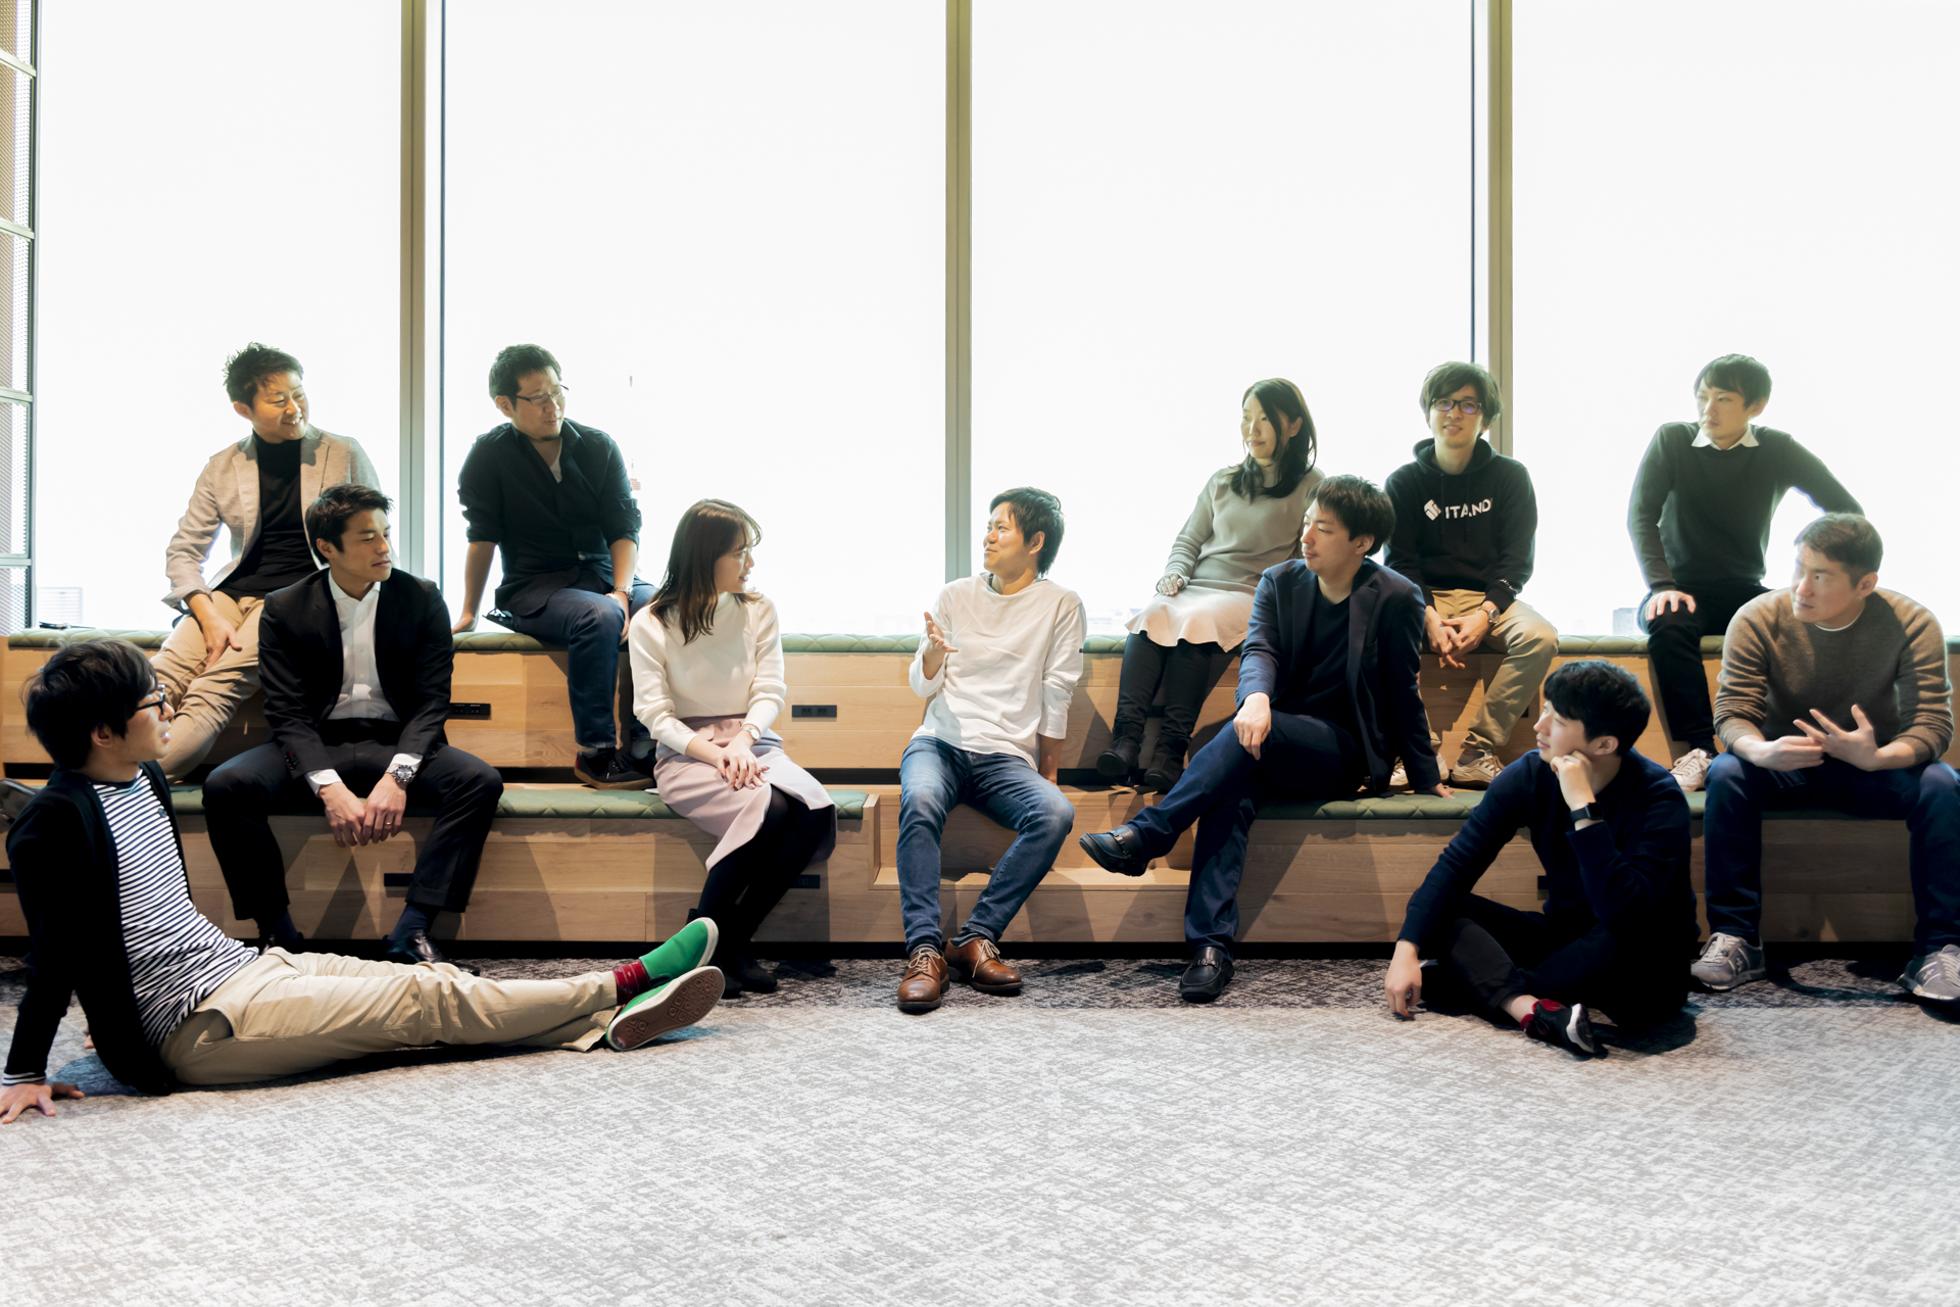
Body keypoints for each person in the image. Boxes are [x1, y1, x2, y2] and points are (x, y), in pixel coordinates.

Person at [0, 638, 723, 1122]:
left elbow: (153, 917)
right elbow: (53, 956)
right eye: (151, 701)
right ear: (102, 732)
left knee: (436, 982)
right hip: (198, 1026)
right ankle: (625, 983)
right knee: (425, 1000)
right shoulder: (53, 824)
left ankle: (604, 1025)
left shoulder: (142, 778)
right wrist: (23, 1070)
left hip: (245, 969)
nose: (167, 708)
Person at [1079, 475, 1446, 1001]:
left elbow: (1402, 692)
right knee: (1229, 785)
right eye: (1307, 523)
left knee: (1241, 746)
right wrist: (1255, 697)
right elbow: (1260, 651)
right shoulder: (1279, 582)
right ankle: (1210, 949)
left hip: (1340, 752)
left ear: (1361, 543)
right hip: (1270, 735)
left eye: (1323, 528)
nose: (1307, 537)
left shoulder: (1395, 596)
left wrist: (1426, 776)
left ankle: (1152, 834)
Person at [200, 486, 501, 968]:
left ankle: (413, 929)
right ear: (328, 547)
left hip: (394, 741)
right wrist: (328, 787)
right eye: (367, 538)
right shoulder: (285, 607)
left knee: (478, 781)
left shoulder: (421, 598)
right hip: (316, 743)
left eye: (385, 533)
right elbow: (286, 712)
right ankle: (277, 935)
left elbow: (431, 703)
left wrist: (398, 777)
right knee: (225, 785)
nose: (384, 547)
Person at [1692, 515, 1959, 1009]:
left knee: (1943, 784)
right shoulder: (1758, 617)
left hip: (1873, 767)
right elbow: (1733, 713)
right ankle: (1737, 937)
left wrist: (1877, 757)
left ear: (1865, 584)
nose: (1802, 586)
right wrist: (1761, 751)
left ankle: (1940, 948)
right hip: (1785, 764)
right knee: (1728, 773)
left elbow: (1933, 726)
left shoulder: (1913, 622)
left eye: (1820, 575)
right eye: (1799, 567)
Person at [1383, 661, 1696, 1058]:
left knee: (1447, 980)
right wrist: (1406, 949)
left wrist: (1583, 808)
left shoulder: (1659, 797)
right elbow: (1457, 865)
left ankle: (1499, 989)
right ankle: (1530, 1008)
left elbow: (1625, 913)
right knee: (1444, 906)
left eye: (1558, 720)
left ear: (1604, 744)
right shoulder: (1530, 773)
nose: (1539, 726)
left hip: (1641, 962)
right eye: (1546, 709)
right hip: (1563, 937)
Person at [629, 500, 836, 999]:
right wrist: (716, 753)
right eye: (740, 552)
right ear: (706, 556)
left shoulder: (758, 609)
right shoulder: (651, 621)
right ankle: (716, 944)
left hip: (754, 741)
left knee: (811, 810)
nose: (750, 563)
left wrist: (743, 740)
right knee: (770, 807)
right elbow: (655, 715)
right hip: (686, 753)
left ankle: (726, 938)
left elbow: (769, 690)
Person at [1627, 353, 1861, 791]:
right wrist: (1661, 585)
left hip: (1745, 590)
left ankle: (1803, 746)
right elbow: (1641, 516)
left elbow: (1847, 513)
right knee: (1669, 622)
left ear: (1755, 406)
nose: (1708, 409)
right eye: (1702, 397)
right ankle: (1699, 751)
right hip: (1679, 589)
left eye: (1723, 399)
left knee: (1807, 624)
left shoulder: (1777, 448)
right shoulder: (1673, 440)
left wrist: (1812, 571)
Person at [894, 488, 1086, 1014]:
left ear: (1036, 542)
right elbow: (921, 685)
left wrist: (1049, 773)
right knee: (920, 800)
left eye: (1002, 527)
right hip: (940, 743)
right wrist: (932, 656)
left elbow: (1057, 690)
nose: (988, 536)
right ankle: (924, 952)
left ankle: (976, 938)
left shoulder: (1061, 605)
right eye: (988, 525)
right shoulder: (955, 595)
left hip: (1005, 757)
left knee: (1054, 812)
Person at [153, 343, 379, 780]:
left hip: (300, 597)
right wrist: (207, 615)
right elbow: (183, 551)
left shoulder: (342, 452)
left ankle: (125, 788)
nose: (295, 408)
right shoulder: (222, 465)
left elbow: (376, 535)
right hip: (228, 597)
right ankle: (100, 778)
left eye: (299, 394)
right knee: (155, 679)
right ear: (244, 409)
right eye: (278, 400)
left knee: (212, 687)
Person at [1098, 379, 1323, 792]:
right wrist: (1174, 574)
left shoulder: (1311, 484)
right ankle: (1125, 741)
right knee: (1152, 613)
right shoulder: (1223, 480)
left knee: (1199, 621)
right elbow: (1189, 541)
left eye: (1264, 419)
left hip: (1251, 593)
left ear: (1292, 426)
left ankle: (1170, 752)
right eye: (1246, 418)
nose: (1252, 429)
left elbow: (1305, 558)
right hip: (1199, 586)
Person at [452, 345, 656, 789]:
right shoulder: (488, 455)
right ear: (505, 404)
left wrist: (623, 591)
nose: (553, 406)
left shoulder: (598, 446)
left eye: (558, 392)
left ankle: (648, 742)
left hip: (604, 575)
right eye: (539, 398)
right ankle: (596, 753)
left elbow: (624, 528)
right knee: (598, 614)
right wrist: (468, 611)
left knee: (662, 605)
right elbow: (481, 537)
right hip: (537, 587)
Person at [1384, 361, 1556, 788]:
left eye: (1467, 404)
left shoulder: (1510, 477)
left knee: (1540, 637)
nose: (1454, 413)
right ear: (1428, 412)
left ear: (1486, 418)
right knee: (1377, 628)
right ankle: (1418, 751)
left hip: (1490, 599)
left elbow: (1517, 561)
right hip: (1425, 597)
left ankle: (1479, 750)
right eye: (1444, 403)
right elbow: (1400, 563)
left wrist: (1485, 615)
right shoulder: (1403, 482)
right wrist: (1428, 616)